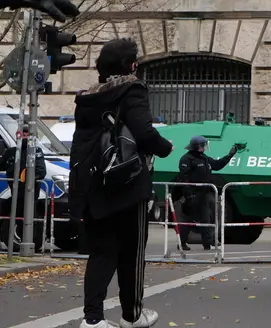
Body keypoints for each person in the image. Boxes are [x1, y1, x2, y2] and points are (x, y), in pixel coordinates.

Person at [70, 37, 174, 328]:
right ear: (130, 65)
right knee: (131, 252)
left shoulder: (87, 97)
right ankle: (132, 315)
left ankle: (92, 320)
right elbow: (144, 132)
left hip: (92, 183)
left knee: (101, 252)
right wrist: (166, 147)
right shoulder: (132, 88)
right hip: (126, 183)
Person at [175, 135, 244, 250]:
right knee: (189, 219)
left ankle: (208, 243)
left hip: (204, 193)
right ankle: (182, 243)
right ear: (196, 146)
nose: (205, 147)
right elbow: (183, 177)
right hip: (193, 193)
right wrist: (188, 195)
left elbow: (217, 165)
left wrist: (230, 155)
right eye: (203, 145)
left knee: (206, 217)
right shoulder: (187, 159)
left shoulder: (204, 158)